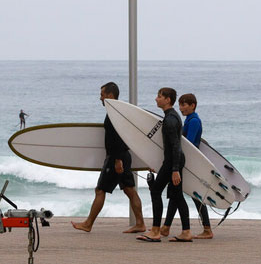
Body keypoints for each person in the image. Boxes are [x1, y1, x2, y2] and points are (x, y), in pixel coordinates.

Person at [72, 82, 146, 233]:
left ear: (110, 95)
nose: (100, 98)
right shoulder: (119, 111)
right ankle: (140, 223)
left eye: (102, 95)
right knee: (130, 190)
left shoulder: (114, 113)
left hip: (116, 158)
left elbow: (118, 137)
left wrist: (117, 160)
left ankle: (88, 224)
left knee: (100, 190)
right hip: (123, 156)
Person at [137, 87, 192, 243]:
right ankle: (186, 232)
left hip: (173, 161)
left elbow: (175, 146)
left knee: (155, 191)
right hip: (173, 160)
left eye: (159, 96)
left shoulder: (170, 120)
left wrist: (174, 170)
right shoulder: (172, 117)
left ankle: (155, 231)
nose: (156, 99)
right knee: (177, 195)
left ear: (168, 100)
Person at [161, 93, 213, 239]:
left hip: (189, 162)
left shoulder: (194, 121)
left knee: (193, 195)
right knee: (175, 193)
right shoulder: (189, 120)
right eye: (180, 105)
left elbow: (188, 144)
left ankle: (207, 229)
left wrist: (176, 163)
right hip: (186, 161)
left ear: (192, 105)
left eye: (184, 105)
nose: (181, 108)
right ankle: (166, 227)